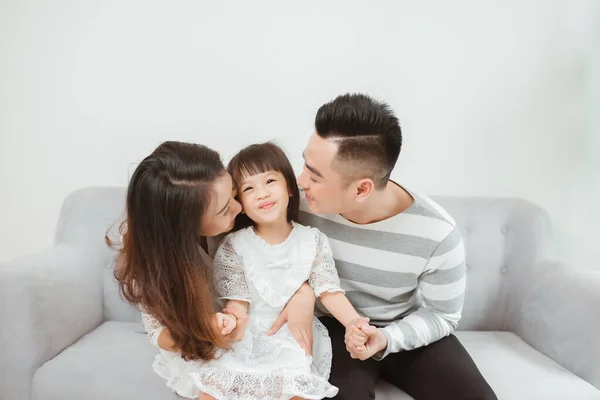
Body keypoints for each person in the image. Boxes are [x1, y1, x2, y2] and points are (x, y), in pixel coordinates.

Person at [291, 93, 497, 400]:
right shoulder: (295, 203)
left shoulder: (437, 232)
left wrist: (386, 339)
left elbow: (443, 316)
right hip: (331, 328)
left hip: (400, 326)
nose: (300, 180)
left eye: (315, 176)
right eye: (305, 165)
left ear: (362, 188)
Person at [109, 141, 316, 400]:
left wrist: (304, 292)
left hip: (258, 328)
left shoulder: (247, 214)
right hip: (201, 343)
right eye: (223, 210)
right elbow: (159, 333)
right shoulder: (152, 261)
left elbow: (289, 253)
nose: (239, 207)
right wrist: (203, 329)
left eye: (233, 193)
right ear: (184, 229)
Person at [198, 142, 369, 399]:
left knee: (295, 388)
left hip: (293, 334)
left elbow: (328, 290)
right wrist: (230, 321)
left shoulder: (313, 240)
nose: (262, 194)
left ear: (289, 186)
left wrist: (353, 322)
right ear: (240, 202)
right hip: (249, 332)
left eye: (269, 181)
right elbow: (237, 302)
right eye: (249, 188)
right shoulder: (234, 245)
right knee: (212, 389)